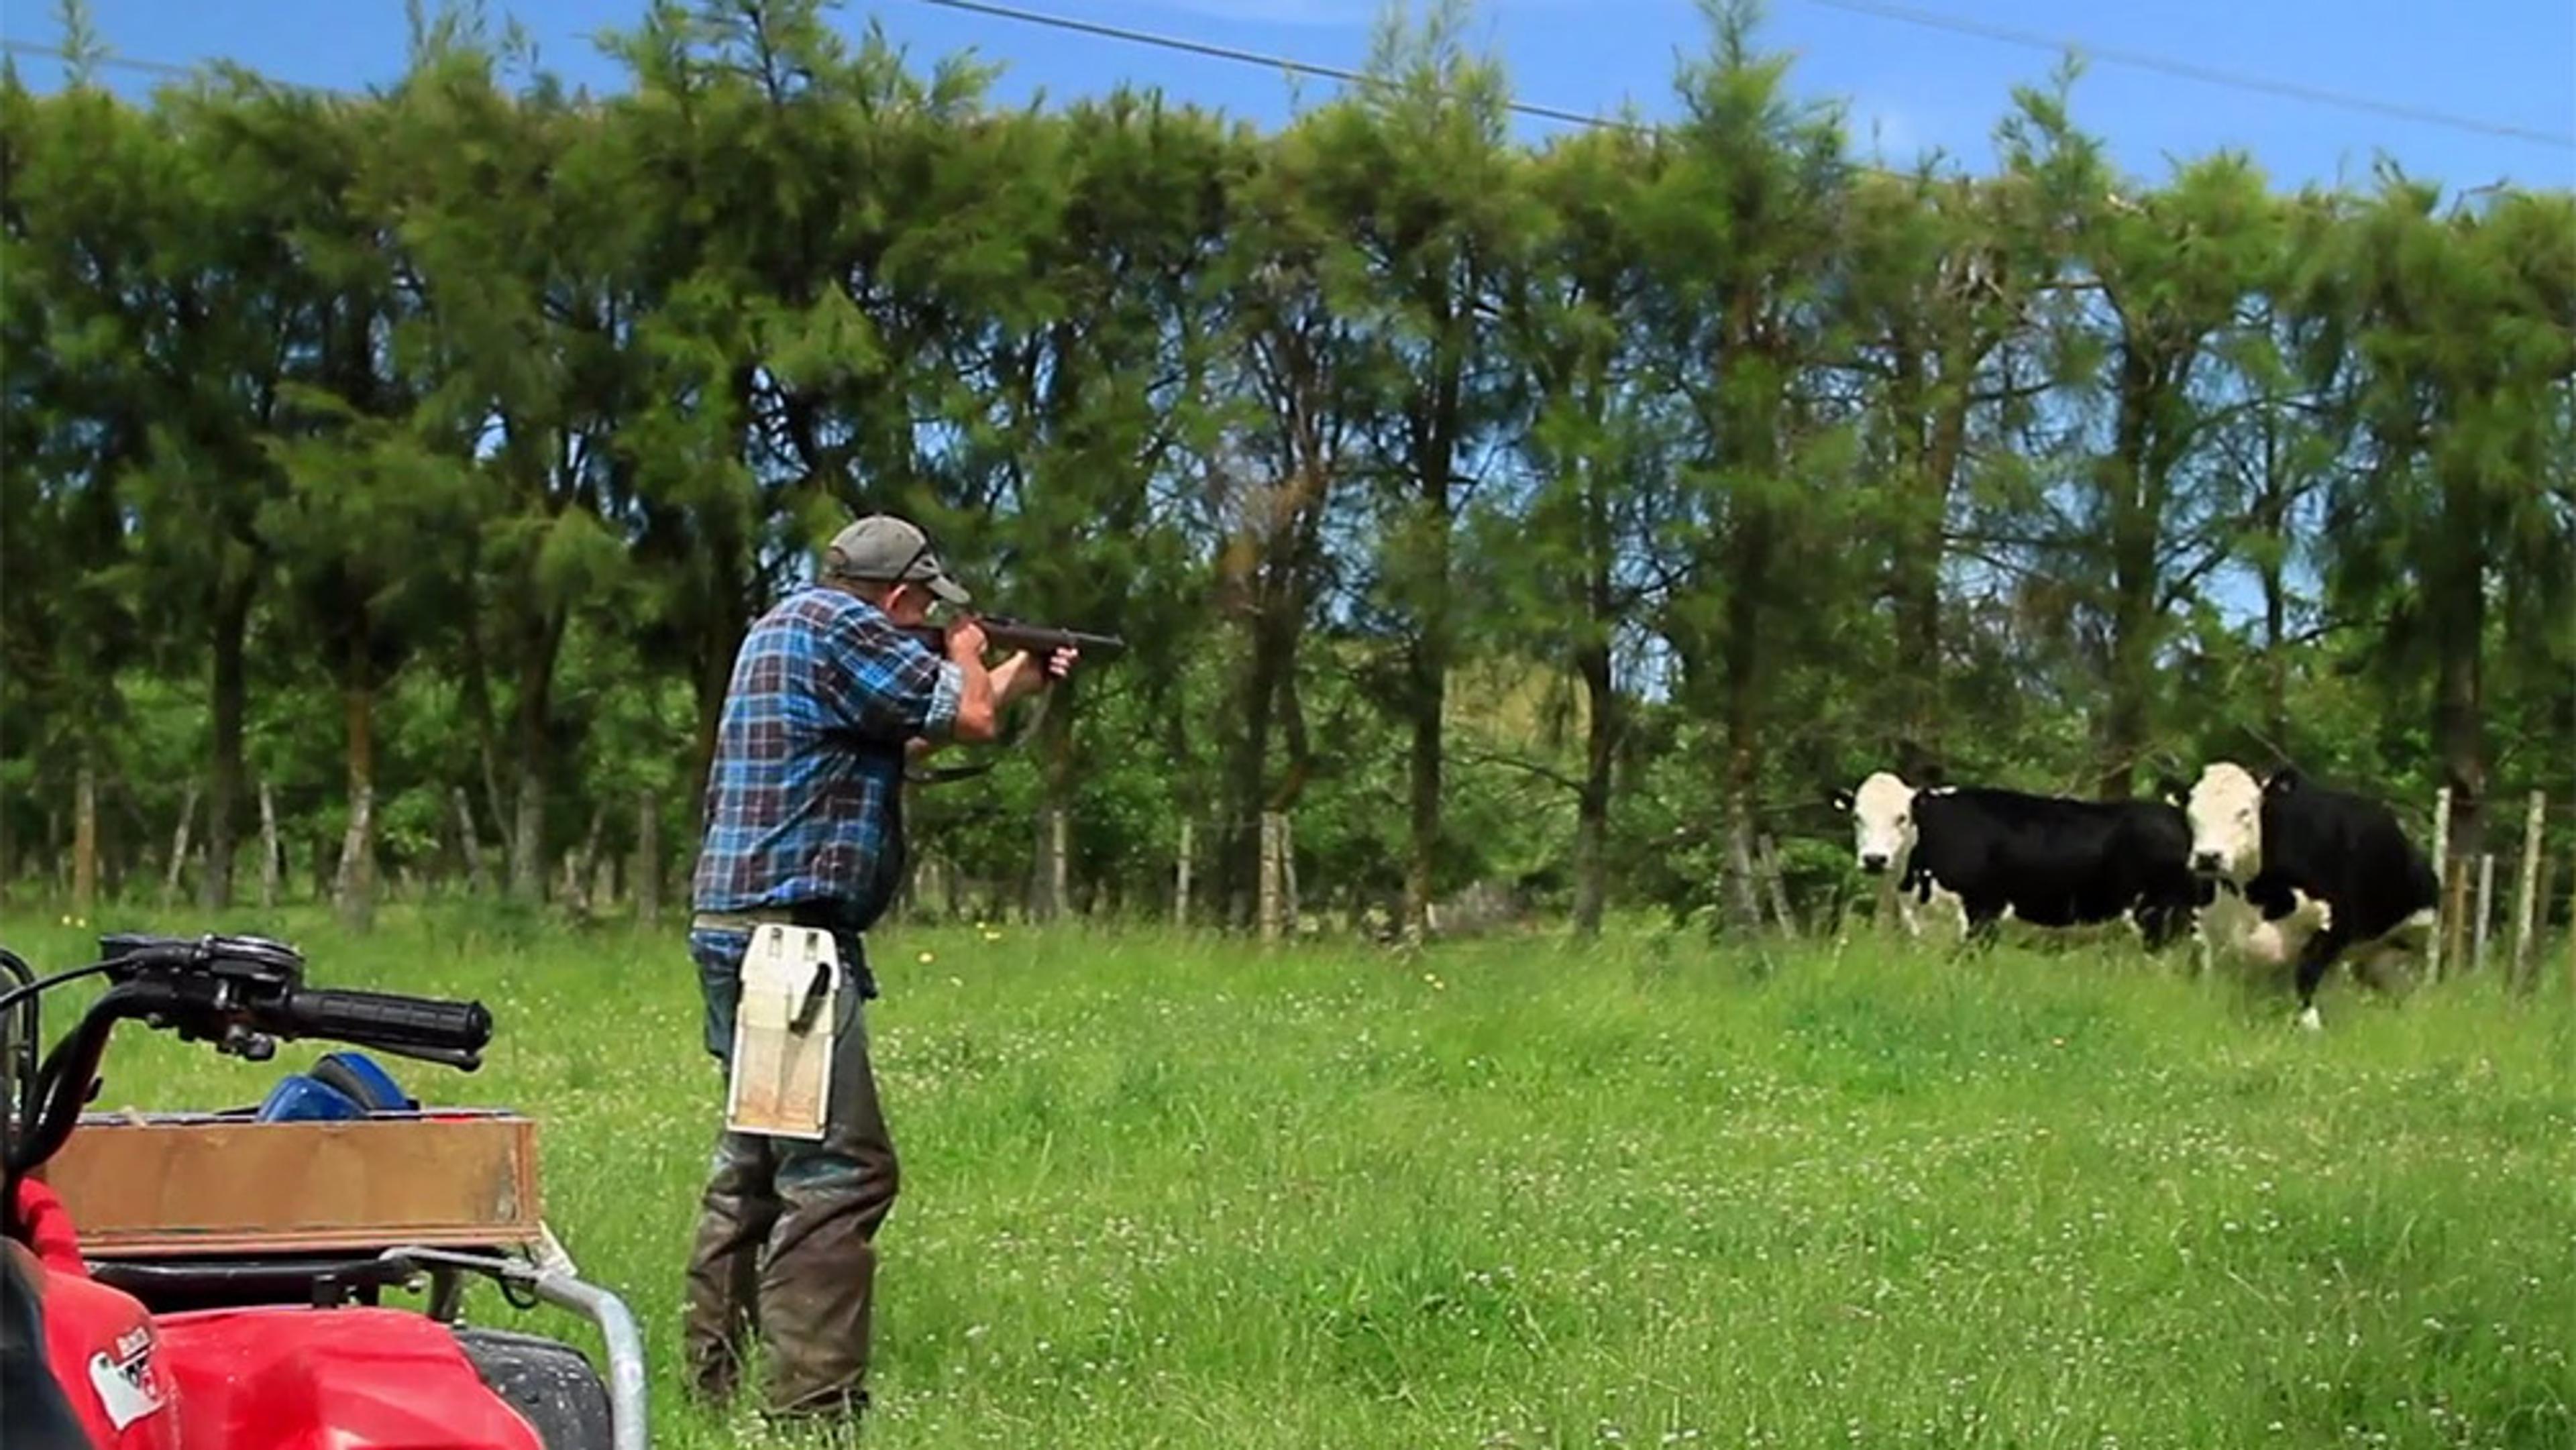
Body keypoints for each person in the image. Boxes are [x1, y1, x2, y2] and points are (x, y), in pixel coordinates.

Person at [681, 513, 1074, 1424]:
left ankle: (711, 1389)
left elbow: (920, 730)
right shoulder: (848, 625)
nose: (931, 624)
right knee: (839, 1174)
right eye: (927, 612)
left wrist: (1012, 674)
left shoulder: (787, 627)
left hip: (747, 930)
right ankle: (812, 1411)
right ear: (901, 597)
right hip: (788, 943)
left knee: (754, 1167)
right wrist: (974, 654)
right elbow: (963, 710)